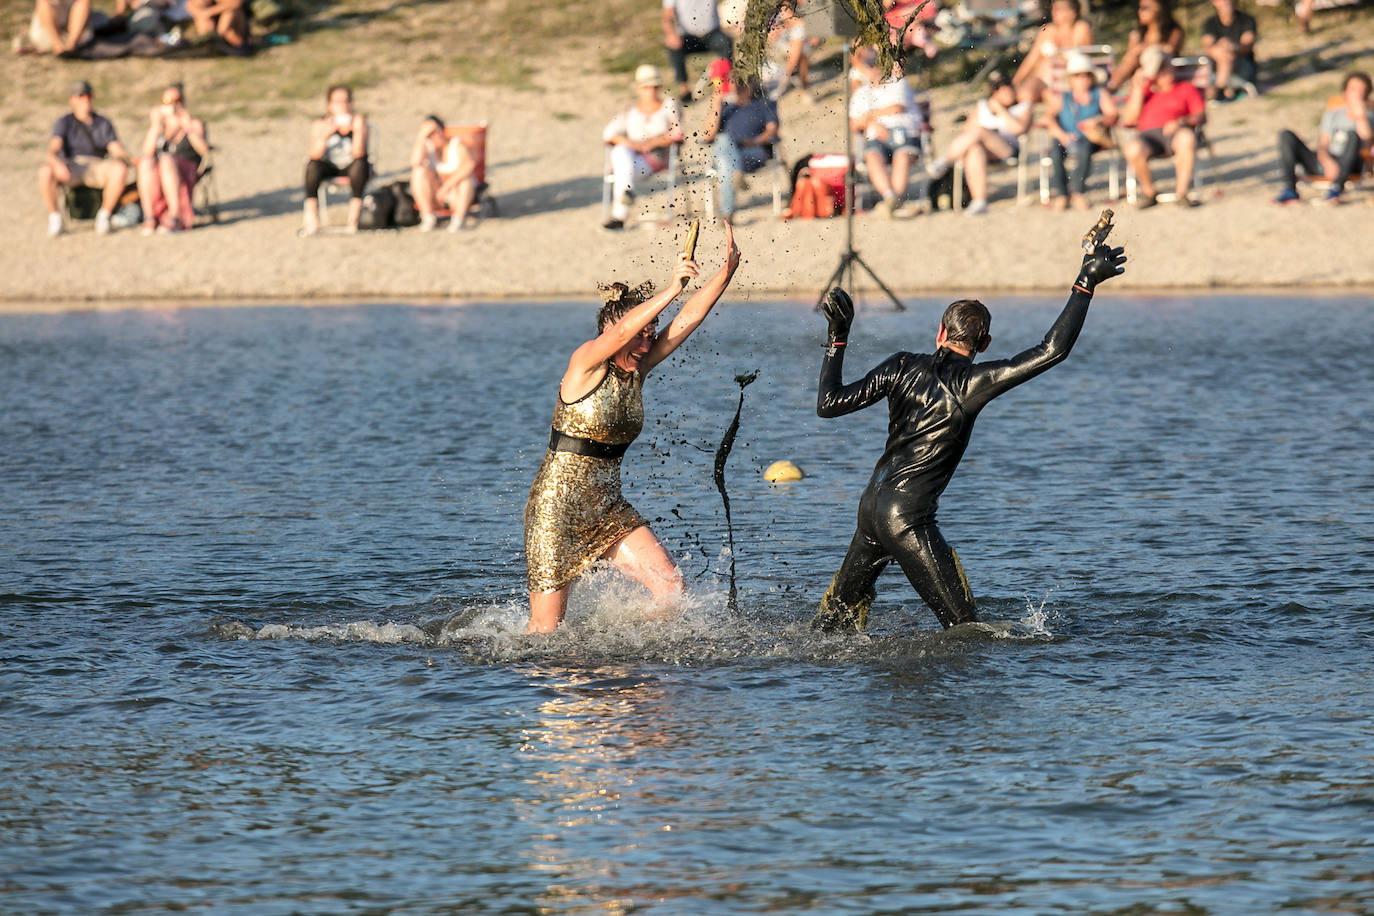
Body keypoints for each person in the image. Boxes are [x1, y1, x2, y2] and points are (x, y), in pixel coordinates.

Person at [810, 238, 1128, 633]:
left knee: (832, 627)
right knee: (966, 630)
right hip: (906, 518)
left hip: (870, 509)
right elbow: (1052, 350)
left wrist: (838, 337)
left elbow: (829, 403)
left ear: (940, 332)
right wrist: (1085, 283)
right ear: (985, 344)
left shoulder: (901, 364)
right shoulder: (975, 382)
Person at [523, 221, 743, 633]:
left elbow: (688, 321)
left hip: (606, 507)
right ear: (612, 336)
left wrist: (723, 275)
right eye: (640, 337)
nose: (646, 345)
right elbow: (625, 328)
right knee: (546, 633)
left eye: (650, 337)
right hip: (556, 511)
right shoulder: (585, 365)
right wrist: (673, 287)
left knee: (670, 587)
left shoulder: (635, 374)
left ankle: (623, 649)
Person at [925, 71, 1033, 216]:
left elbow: (1019, 129)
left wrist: (1000, 110)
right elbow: (966, 133)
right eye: (998, 89)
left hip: (1007, 149)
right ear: (993, 92)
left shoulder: (1023, 107)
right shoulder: (982, 106)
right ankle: (979, 201)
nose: (1004, 92)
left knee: (979, 130)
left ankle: (946, 161)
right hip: (985, 151)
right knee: (975, 150)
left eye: (1006, 88)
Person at [39, 80, 131, 238]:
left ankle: (104, 217)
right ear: (72, 100)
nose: (85, 100)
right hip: (73, 164)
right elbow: (53, 149)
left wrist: (130, 158)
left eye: (88, 95)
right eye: (80, 96)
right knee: (45, 171)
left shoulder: (103, 122)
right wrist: (57, 164)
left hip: (96, 165)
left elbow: (115, 148)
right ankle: (55, 218)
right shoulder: (64, 122)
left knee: (119, 169)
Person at [1121, 47, 1207, 208]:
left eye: (1167, 66)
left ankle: (1181, 194)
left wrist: (1181, 121)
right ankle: (1149, 193)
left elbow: (1201, 115)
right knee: (1132, 148)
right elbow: (1128, 120)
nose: (1166, 71)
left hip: (1176, 133)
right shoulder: (1144, 91)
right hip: (1148, 136)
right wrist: (1138, 88)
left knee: (1186, 138)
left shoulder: (1186, 88)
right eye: (1160, 69)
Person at [601, 64, 684, 231]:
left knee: (621, 164)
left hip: (656, 159)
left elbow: (678, 134)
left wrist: (651, 144)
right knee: (619, 152)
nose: (651, 91)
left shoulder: (669, 105)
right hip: (632, 160)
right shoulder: (630, 111)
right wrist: (634, 145)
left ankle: (620, 214)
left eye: (654, 87)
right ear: (639, 89)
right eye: (646, 87)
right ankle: (626, 194)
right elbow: (608, 133)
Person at [1273, 71, 1372, 205]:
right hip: (1326, 162)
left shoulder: (1370, 116)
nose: (1357, 94)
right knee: (1286, 135)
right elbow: (1323, 144)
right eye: (1354, 89)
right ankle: (1290, 190)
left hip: (1351, 165)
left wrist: (1361, 117)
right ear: (1345, 92)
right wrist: (1327, 161)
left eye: (1362, 91)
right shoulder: (1333, 114)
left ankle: (1336, 188)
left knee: (1353, 136)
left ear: (1367, 94)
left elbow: (1366, 148)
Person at [1042, 51, 1119, 210]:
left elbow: (1113, 114)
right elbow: (1047, 118)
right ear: (1071, 79)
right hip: (1066, 137)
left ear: (1092, 77)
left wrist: (1097, 120)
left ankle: (1077, 192)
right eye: (1078, 76)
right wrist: (1062, 135)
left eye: (1086, 75)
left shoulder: (1099, 94)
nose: (1082, 79)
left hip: (1090, 138)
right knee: (1056, 153)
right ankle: (1062, 194)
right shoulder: (1063, 97)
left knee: (1085, 149)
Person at [849, 59, 925, 218]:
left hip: (904, 134)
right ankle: (891, 198)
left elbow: (897, 107)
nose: (873, 71)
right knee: (872, 157)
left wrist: (869, 118)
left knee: (902, 157)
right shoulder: (861, 93)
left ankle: (893, 200)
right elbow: (854, 124)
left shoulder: (897, 83)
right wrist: (872, 123)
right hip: (877, 137)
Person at [136, 82, 209, 234]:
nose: (173, 106)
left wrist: (187, 127)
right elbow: (146, 152)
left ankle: (175, 215)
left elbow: (204, 150)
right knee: (146, 163)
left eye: (177, 101)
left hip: (185, 168)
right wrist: (155, 126)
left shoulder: (193, 123)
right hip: (160, 171)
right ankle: (150, 216)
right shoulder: (160, 126)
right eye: (167, 102)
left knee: (166, 160)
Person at [703, 77, 778, 221]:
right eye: (736, 83)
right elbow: (707, 136)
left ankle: (727, 213)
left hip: (753, 151)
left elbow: (772, 131)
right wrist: (716, 105)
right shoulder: (725, 108)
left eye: (744, 83)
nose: (740, 87)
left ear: (752, 84)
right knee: (723, 143)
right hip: (726, 153)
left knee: (725, 162)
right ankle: (736, 174)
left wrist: (755, 141)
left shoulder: (764, 104)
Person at [301, 85, 369, 236]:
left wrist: (357, 131)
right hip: (329, 165)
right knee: (311, 167)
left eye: (346, 101)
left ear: (351, 103)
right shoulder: (320, 124)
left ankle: (354, 217)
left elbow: (359, 153)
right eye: (337, 102)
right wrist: (325, 135)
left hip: (352, 165)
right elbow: (314, 155)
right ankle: (311, 216)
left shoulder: (359, 121)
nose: (342, 106)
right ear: (329, 105)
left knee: (360, 165)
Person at [1012, 0, 1095, 104]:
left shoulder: (1081, 28)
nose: (1053, 12)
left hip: (1069, 81)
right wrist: (1015, 82)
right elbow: (1031, 59)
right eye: (1053, 9)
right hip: (1042, 79)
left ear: (1072, 13)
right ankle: (1046, 95)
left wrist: (1059, 56)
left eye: (1058, 9)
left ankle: (1051, 97)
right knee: (1024, 95)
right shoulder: (1047, 30)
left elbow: (1084, 58)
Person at [409, 115, 478, 232]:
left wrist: (447, 187)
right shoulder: (428, 148)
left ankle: (458, 220)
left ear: (442, 130)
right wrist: (421, 137)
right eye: (429, 134)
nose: (433, 136)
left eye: (434, 132)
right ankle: (428, 217)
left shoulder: (457, 145)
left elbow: (469, 165)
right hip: (437, 193)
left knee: (466, 180)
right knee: (419, 172)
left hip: (456, 193)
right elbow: (415, 162)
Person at [661, 0, 733, 104]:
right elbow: (667, 17)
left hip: (712, 34)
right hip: (688, 37)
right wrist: (671, 34)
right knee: (674, 47)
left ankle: (727, 84)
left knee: (725, 41)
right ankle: (684, 90)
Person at [1108, 0, 1186, 93]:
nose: (1140, 12)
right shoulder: (1137, 35)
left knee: (1153, 55)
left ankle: (1113, 85)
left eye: (1144, 8)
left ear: (1159, 9)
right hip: (1139, 76)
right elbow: (1129, 59)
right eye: (1139, 8)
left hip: (1165, 75)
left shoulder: (1173, 31)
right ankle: (1113, 84)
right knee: (1134, 56)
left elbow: (1170, 49)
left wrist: (1142, 48)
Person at [1200, 0, 1258, 100]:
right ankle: (1222, 90)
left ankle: (1220, 91)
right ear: (1214, 2)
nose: (1226, 2)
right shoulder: (1209, 23)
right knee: (1224, 55)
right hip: (1218, 66)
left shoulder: (1247, 20)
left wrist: (1232, 47)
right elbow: (1208, 48)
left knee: (1227, 56)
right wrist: (1223, 48)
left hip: (1243, 66)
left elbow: (1247, 46)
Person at [26, 0, 93, 54]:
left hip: (75, 34)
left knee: (84, 3)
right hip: (47, 35)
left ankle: (71, 45)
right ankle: (59, 46)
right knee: (44, 3)